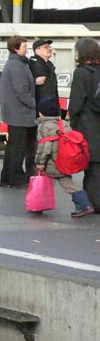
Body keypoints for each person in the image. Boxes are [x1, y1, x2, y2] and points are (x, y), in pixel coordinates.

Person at [34, 95, 93, 217]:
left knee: (49, 181)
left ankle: (38, 204)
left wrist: (40, 162)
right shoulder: (63, 124)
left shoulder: (43, 127)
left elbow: (44, 147)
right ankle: (83, 204)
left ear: (42, 113)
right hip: (65, 160)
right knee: (66, 181)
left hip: (52, 162)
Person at [0, 35, 36, 188]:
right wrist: (33, 104)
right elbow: (21, 90)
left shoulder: (15, 63)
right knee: (17, 148)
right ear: (16, 48)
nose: (27, 49)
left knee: (13, 146)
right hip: (19, 113)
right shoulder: (17, 66)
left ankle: (7, 178)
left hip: (16, 112)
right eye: (24, 46)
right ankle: (15, 178)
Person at [68, 37, 100, 214]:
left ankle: (94, 203)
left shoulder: (82, 73)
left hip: (89, 125)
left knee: (92, 168)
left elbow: (77, 102)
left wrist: (72, 124)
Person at [28, 39, 58, 112]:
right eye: (46, 47)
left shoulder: (49, 65)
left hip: (50, 107)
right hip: (38, 108)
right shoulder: (31, 64)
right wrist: (34, 81)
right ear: (37, 50)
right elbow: (22, 83)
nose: (50, 49)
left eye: (50, 47)